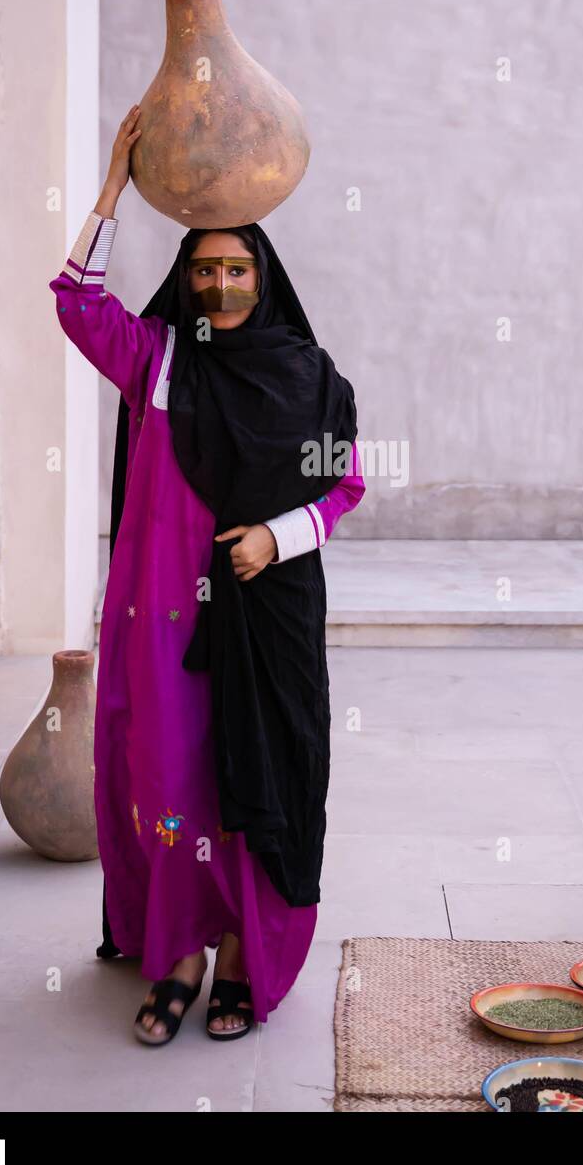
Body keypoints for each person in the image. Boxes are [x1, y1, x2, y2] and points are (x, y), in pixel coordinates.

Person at [49, 104, 364, 1044]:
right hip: (164, 625)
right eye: (203, 270)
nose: (220, 284)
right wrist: (112, 187)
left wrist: (277, 536)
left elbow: (345, 488)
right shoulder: (157, 362)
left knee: (256, 778)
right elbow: (76, 303)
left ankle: (241, 955)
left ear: (261, 281)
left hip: (262, 618)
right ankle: (177, 951)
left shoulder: (309, 378)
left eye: (235, 269)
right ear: (182, 282)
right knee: (172, 783)